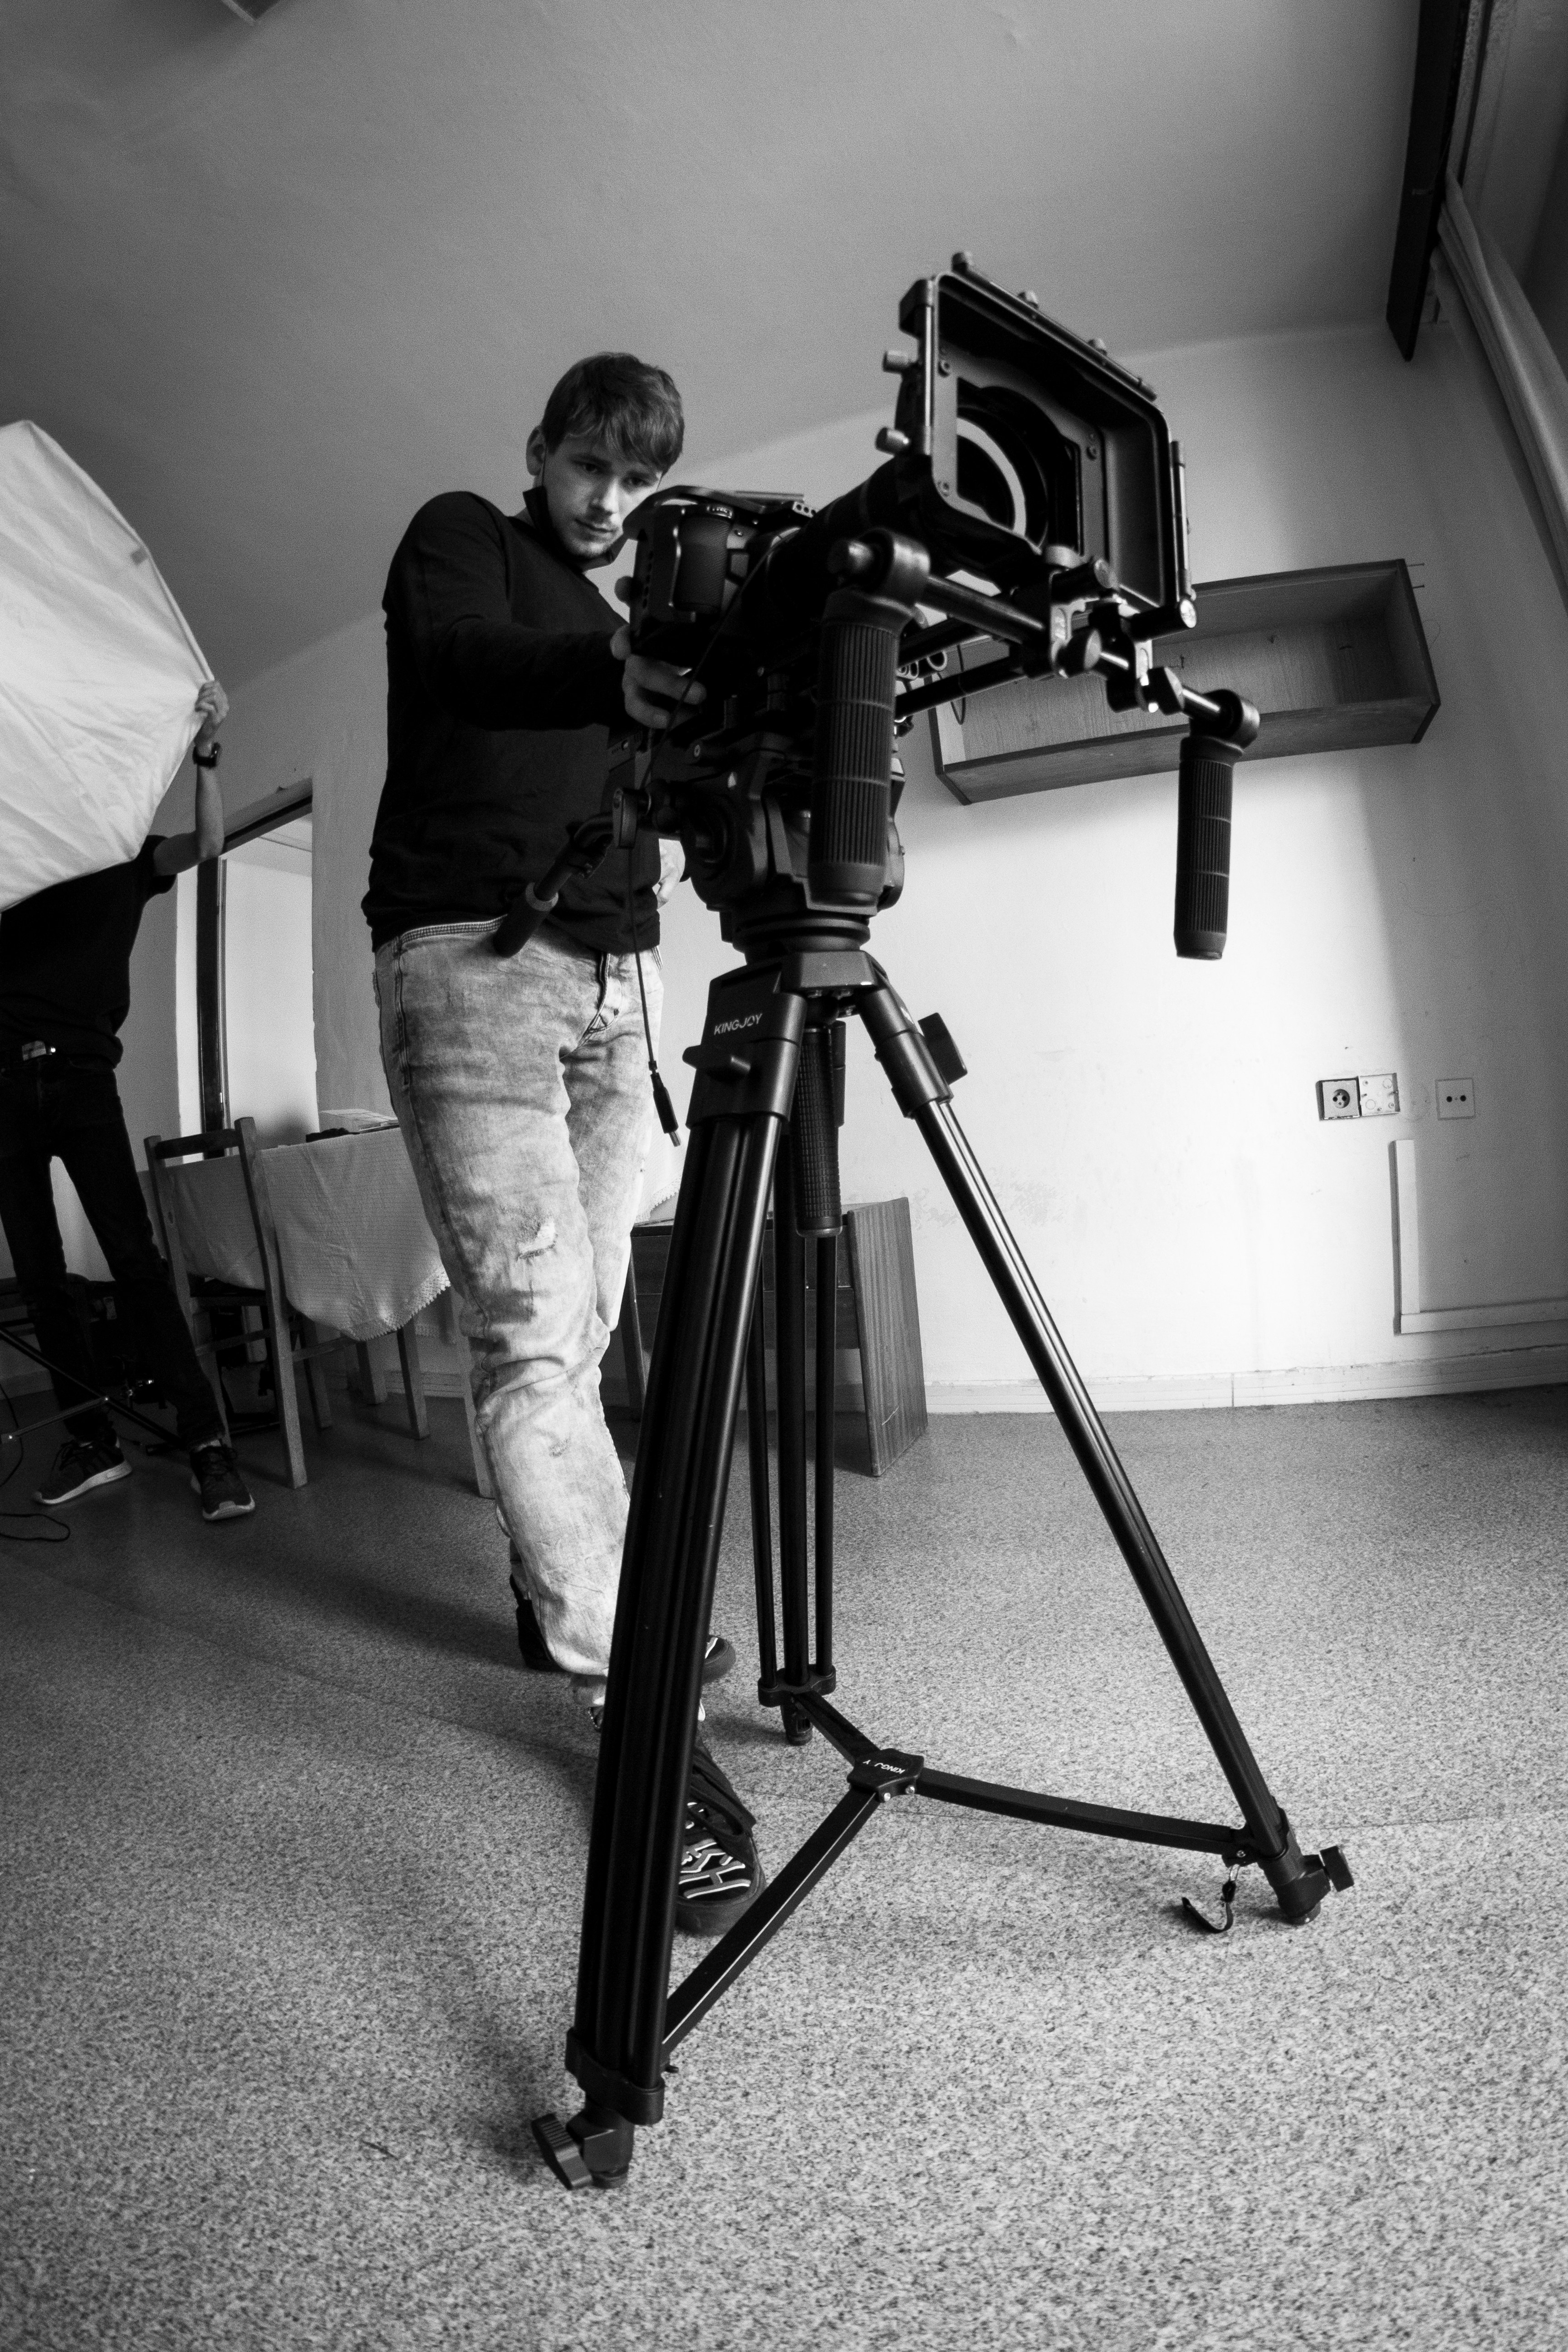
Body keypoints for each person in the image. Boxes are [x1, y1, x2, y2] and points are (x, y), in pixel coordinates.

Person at [363, 351, 761, 1931]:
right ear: (541, 453)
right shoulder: (465, 537)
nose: (610, 499)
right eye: (590, 465)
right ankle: (645, 1725)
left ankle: (557, 1600)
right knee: (532, 1339)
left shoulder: (635, 626)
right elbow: (465, 663)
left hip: (615, 986)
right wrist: (612, 670)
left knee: (582, 1330)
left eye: (638, 479)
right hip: (472, 962)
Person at [0, 684, 255, 1522]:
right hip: (3, 1088)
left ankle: (207, 1442)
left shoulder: (124, 857)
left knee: (134, 1262)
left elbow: (208, 844)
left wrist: (206, 755)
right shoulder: (13, 865)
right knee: (41, 1277)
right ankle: (93, 1441)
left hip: (81, 1079)